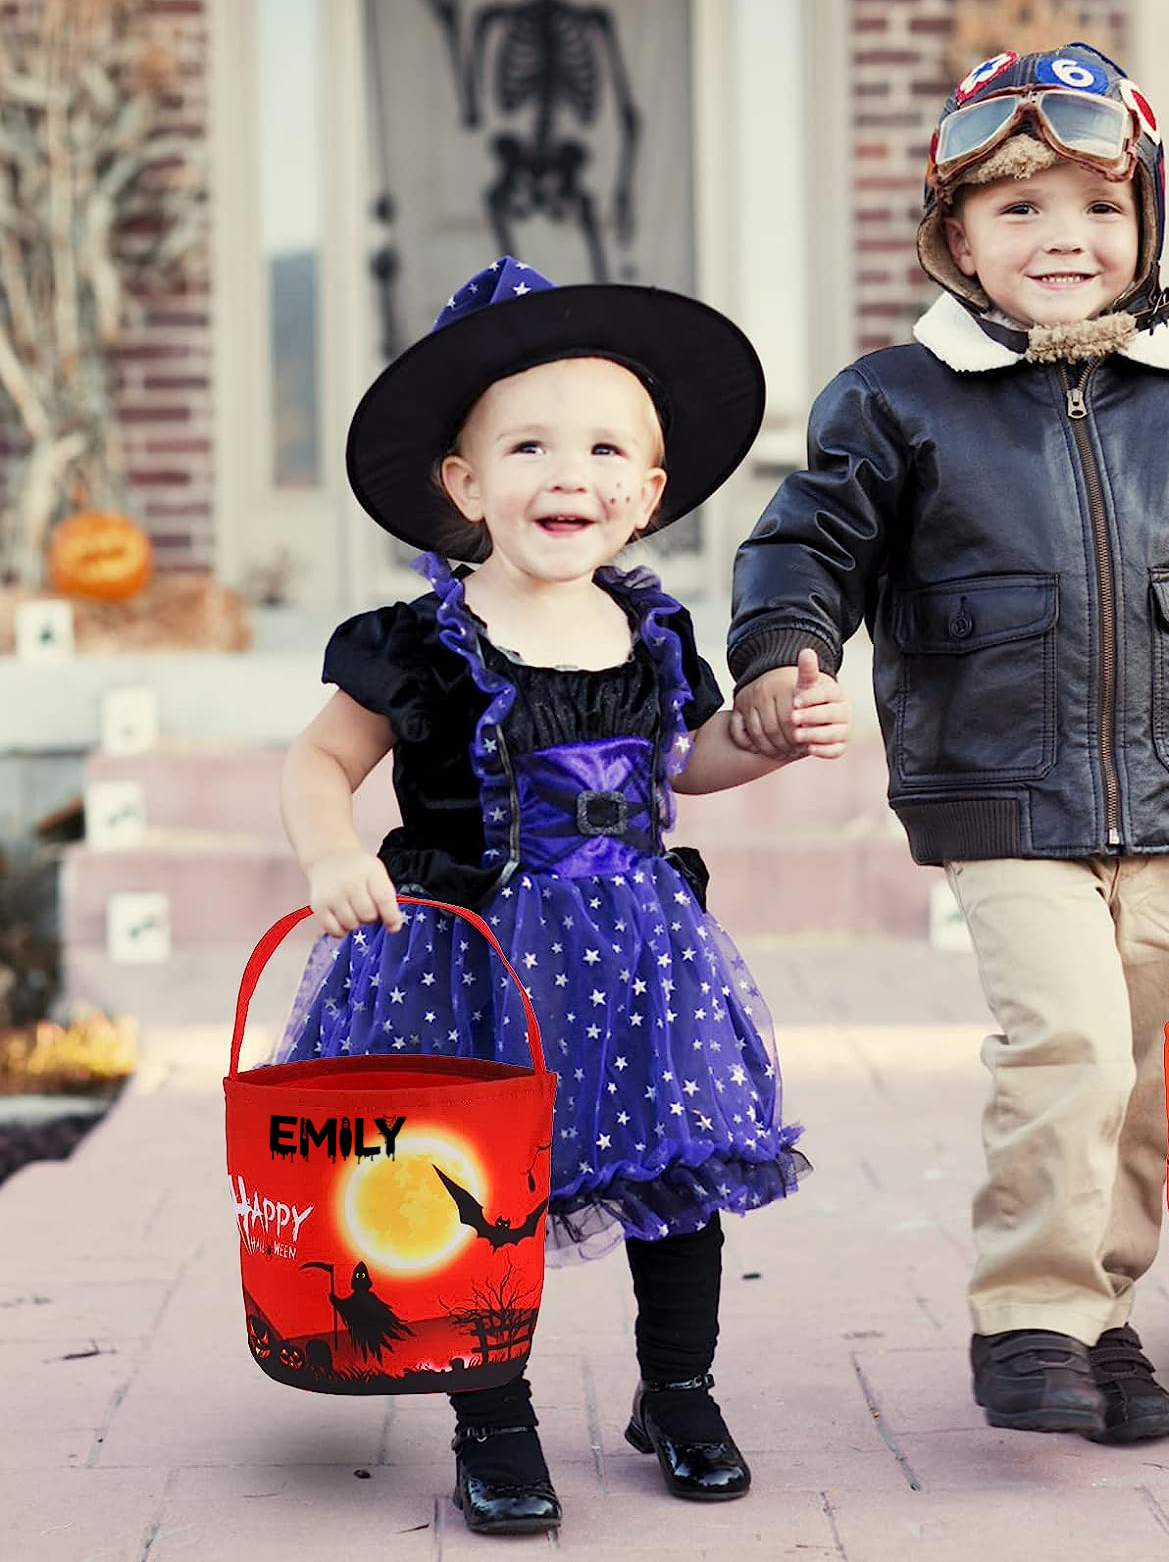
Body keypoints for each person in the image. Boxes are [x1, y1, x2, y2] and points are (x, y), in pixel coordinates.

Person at [728, 44, 1169, 1444]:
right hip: (999, 784)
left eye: (1098, 211)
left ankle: (1103, 1314)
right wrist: (780, 652)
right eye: (1018, 211)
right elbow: (806, 541)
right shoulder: (895, 399)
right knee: (1061, 1039)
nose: (1064, 237)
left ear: (1146, 230)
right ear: (953, 239)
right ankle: (1029, 1318)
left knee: (1135, 1070)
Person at [275, 257, 851, 1534]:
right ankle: (493, 1417)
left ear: (646, 494)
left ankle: (679, 1391)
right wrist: (332, 853)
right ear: (464, 485)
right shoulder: (418, 641)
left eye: (603, 450)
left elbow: (685, 766)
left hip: (642, 950)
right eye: (528, 447)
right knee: (478, 1186)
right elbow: (323, 759)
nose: (568, 475)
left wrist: (760, 734)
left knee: (682, 1167)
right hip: (468, 953)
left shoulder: (649, 632)